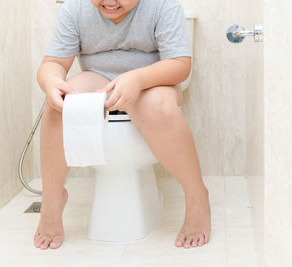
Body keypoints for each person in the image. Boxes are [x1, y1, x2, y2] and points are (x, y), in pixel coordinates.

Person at [34, 0, 211, 250]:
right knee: (59, 107)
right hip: (99, 77)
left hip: (152, 79)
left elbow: (180, 65)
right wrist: (51, 81)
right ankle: (51, 202)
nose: (109, 1)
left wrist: (138, 78)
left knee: (157, 108)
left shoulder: (162, 6)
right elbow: (53, 63)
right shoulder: (75, 9)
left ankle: (196, 196)